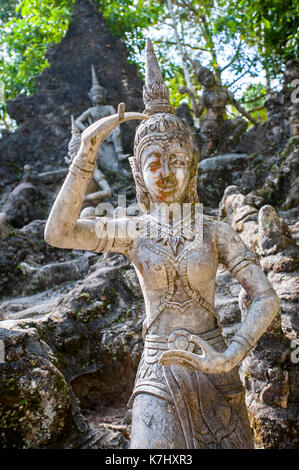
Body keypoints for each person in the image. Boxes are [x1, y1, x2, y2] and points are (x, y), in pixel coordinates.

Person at [45, 39, 280, 449]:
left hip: (217, 368)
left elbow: (265, 296)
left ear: (192, 165)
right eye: (154, 163)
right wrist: (85, 154)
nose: (166, 173)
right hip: (158, 376)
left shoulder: (213, 230)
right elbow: (59, 232)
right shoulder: (132, 231)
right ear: (139, 172)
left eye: (176, 160)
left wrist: (233, 353)